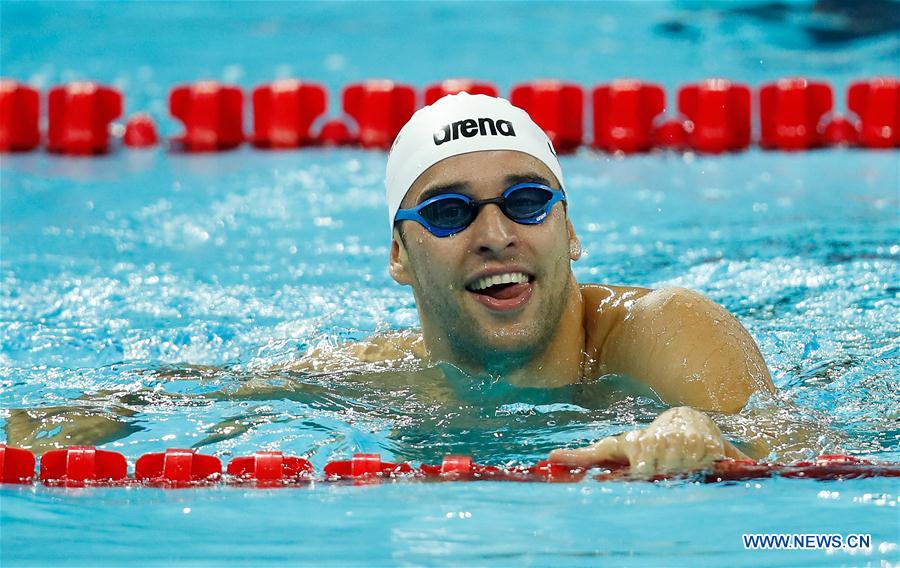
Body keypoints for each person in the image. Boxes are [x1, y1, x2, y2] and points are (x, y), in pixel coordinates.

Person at [372, 92, 775, 473]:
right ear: (398, 255)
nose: (495, 237)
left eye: (526, 202)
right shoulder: (368, 379)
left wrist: (705, 436)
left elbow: (788, 451)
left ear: (570, 233)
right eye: (447, 212)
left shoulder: (667, 332)